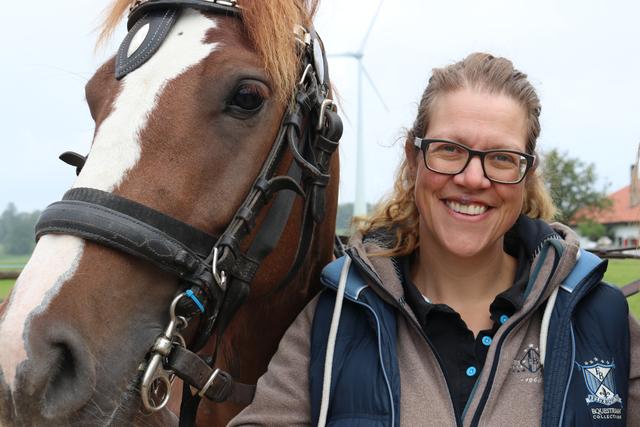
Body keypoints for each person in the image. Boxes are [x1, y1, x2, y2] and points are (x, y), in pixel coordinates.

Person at [229, 52, 640, 426]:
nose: (472, 178)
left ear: (526, 175)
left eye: (501, 158)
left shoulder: (603, 320)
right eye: (449, 150)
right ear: (413, 158)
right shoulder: (338, 317)